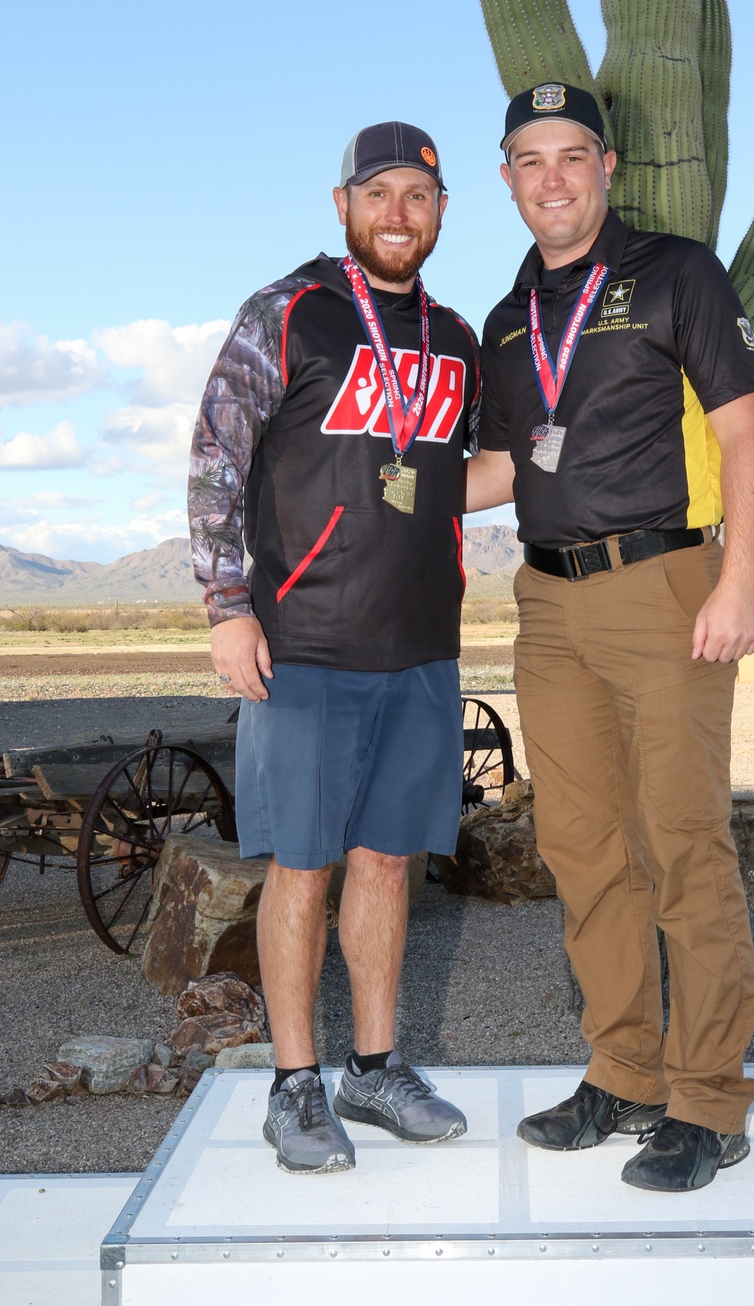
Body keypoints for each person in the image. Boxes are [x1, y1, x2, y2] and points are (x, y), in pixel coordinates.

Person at [466, 82, 754, 1193]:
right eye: (527, 160)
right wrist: (373, 483)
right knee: (584, 850)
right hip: (547, 608)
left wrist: (738, 580)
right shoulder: (507, 319)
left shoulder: (676, 270)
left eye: (569, 156)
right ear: (506, 179)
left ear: (606, 165)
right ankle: (624, 1071)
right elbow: (503, 466)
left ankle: (707, 1100)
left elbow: (743, 430)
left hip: (665, 586)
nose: (550, 178)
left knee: (683, 845)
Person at [188, 121, 479, 1176]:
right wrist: (228, 607)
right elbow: (217, 456)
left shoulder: (453, 339)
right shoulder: (289, 312)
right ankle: (294, 1083)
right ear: (342, 203)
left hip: (418, 646)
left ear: (442, 211)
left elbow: (454, 474)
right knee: (300, 866)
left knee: (388, 863)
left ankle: (374, 1066)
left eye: (418, 194)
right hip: (302, 643)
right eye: (380, 193)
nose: (398, 211)